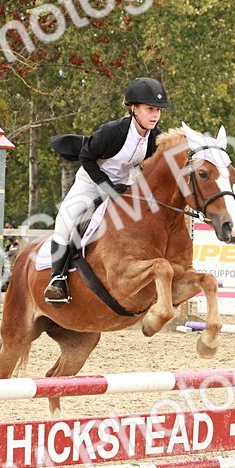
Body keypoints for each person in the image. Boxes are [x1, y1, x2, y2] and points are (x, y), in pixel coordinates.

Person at [44, 77, 169, 303]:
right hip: (90, 182)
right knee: (65, 219)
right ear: (133, 108)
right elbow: (86, 157)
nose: (155, 115)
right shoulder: (112, 131)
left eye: (158, 110)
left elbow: (150, 168)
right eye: (150, 109)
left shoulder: (155, 137)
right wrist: (107, 189)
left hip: (124, 184)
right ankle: (58, 279)